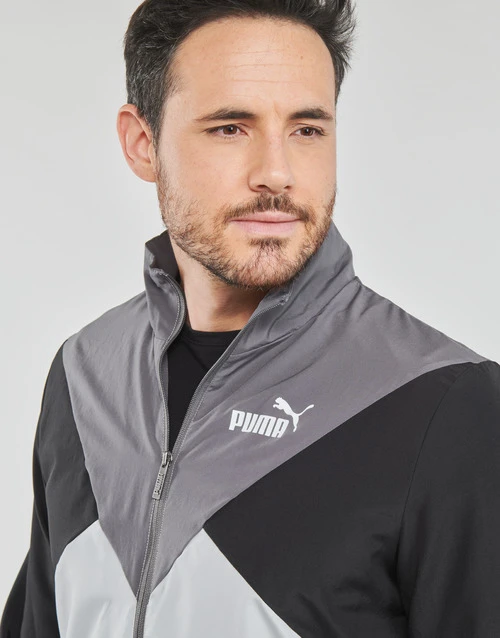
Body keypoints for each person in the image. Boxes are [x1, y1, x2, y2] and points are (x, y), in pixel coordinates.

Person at [2, 0, 500, 636]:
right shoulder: (83, 374)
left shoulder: (445, 403)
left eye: (307, 130)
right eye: (230, 128)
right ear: (142, 144)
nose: (276, 173)